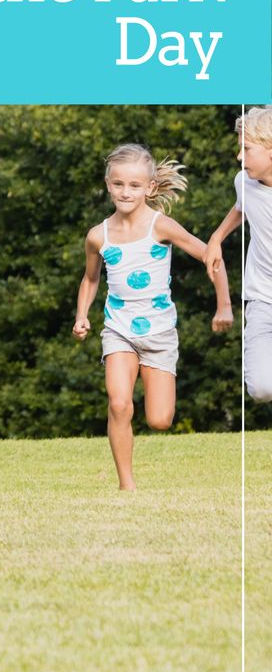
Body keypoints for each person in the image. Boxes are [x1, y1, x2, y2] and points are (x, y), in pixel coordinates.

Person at [73, 144, 233, 490]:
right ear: (107, 184)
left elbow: (212, 257)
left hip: (160, 334)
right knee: (118, 404)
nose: (125, 192)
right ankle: (126, 485)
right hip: (119, 331)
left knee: (160, 420)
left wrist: (224, 305)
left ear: (149, 187)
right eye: (118, 184)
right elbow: (90, 279)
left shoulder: (162, 227)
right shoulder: (97, 236)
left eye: (133, 185)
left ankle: (148, 429)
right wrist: (82, 315)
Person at [205, 107, 272, 403]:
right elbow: (241, 208)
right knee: (260, 389)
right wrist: (216, 237)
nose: (239, 157)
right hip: (263, 297)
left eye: (246, 149)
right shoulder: (242, 182)